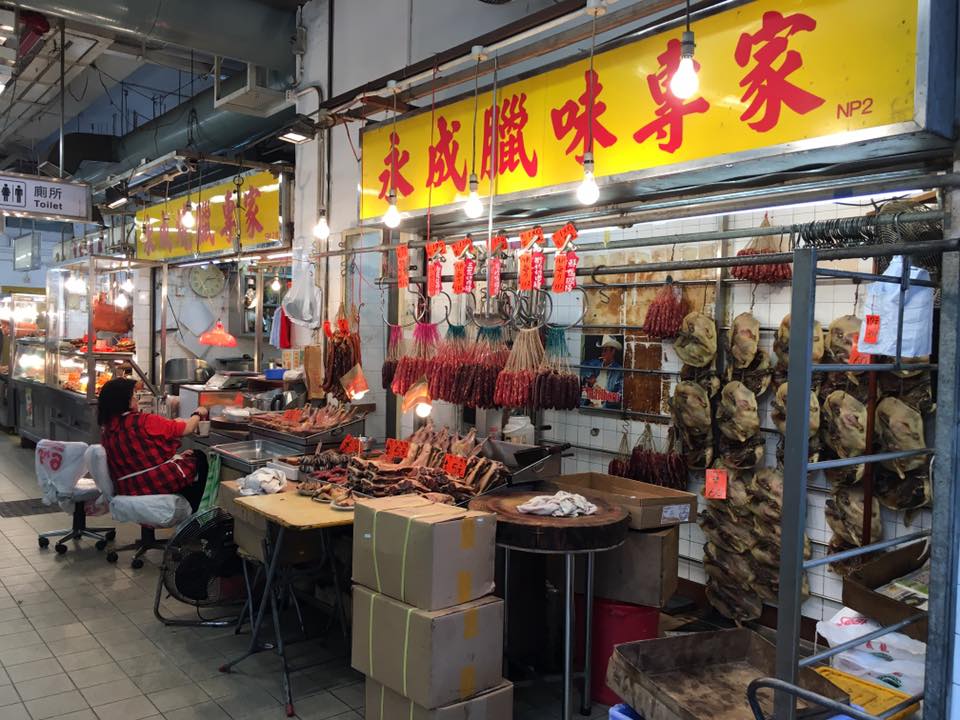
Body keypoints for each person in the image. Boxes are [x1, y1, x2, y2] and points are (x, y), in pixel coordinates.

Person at [97, 378, 209, 512]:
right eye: (134, 396)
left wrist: (175, 458)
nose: (137, 399)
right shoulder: (144, 421)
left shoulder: (107, 429)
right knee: (199, 458)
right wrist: (198, 413)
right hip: (152, 484)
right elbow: (187, 429)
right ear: (127, 402)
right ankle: (195, 516)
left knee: (187, 458)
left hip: (127, 490)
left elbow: (140, 458)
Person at [581, 335, 624, 410]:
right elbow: (583, 365)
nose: (602, 353)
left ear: (613, 351)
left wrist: (604, 398)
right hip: (589, 405)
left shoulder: (619, 371)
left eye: (605, 350)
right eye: (602, 350)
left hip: (605, 408)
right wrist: (591, 376)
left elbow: (620, 395)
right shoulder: (596, 363)